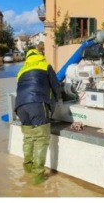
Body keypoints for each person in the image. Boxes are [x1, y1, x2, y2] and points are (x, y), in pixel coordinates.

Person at [14, 48, 62, 185]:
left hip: (20, 106)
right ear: (39, 55)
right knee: (41, 139)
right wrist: (59, 98)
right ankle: (38, 177)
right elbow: (55, 85)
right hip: (37, 103)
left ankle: (27, 170)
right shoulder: (45, 65)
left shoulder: (21, 70)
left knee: (28, 139)